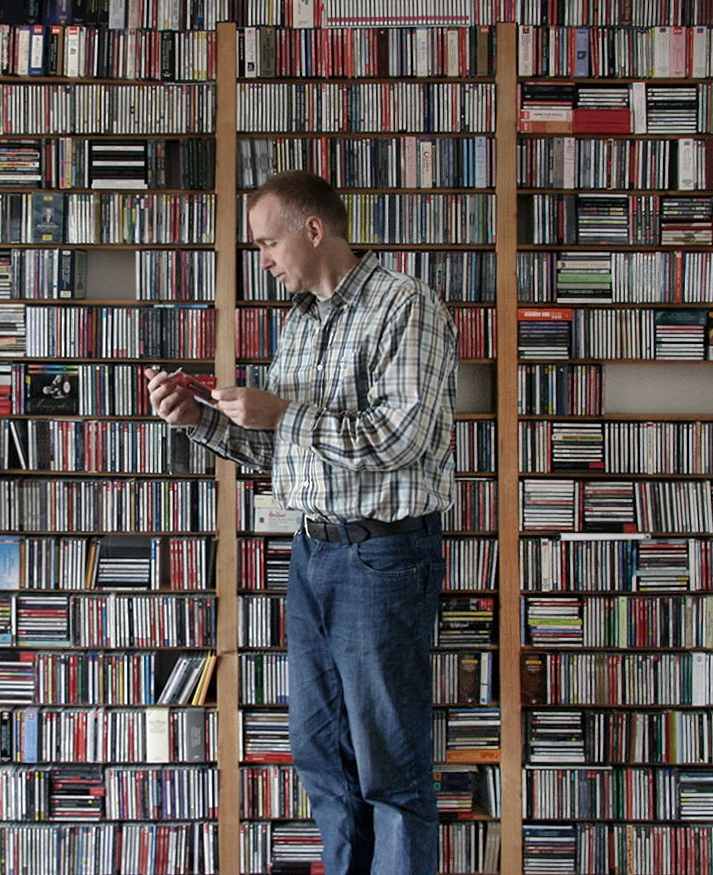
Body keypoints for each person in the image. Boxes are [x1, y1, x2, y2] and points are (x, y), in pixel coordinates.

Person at [145, 170, 458, 875]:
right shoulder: (301, 322)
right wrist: (198, 418)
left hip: (385, 557)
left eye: (266, 242)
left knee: (389, 763)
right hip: (314, 554)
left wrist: (285, 413)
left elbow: (402, 438)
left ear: (313, 230)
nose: (262, 259)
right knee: (322, 755)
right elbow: (282, 448)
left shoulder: (406, 305)